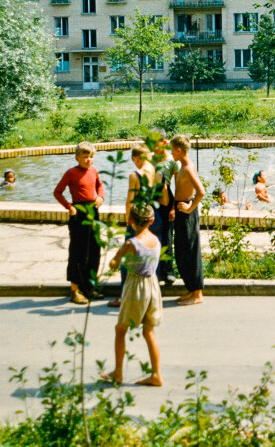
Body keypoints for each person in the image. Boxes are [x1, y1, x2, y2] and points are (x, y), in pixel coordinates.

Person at [100, 204, 163, 387]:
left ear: (130, 220)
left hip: (136, 287)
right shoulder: (156, 241)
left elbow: (113, 264)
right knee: (148, 330)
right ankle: (156, 374)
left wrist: (118, 258)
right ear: (151, 221)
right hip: (152, 285)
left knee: (120, 329)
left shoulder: (131, 244)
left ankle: (118, 372)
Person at [53, 142, 105, 304]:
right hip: (79, 213)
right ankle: (75, 290)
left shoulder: (94, 171)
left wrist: (100, 197)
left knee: (94, 250)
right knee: (78, 252)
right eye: (85, 157)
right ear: (77, 157)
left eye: (91, 157)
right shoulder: (71, 173)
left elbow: (100, 186)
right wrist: (69, 206)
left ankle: (89, 287)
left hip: (93, 212)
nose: (89, 160)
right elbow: (57, 192)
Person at [109, 143, 156, 308]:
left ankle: (124, 296)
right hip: (150, 218)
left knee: (127, 257)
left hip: (136, 220)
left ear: (136, 158)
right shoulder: (154, 171)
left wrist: (128, 221)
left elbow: (130, 201)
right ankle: (147, 295)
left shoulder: (135, 175)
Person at [170, 135, 204, 306]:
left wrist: (190, 208)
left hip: (187, 213)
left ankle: (197, 293)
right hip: (181, 212)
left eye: (172, 151)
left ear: (178, 150)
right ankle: (191, 289)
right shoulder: (183, 166)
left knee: (190, 251)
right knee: (182, 252)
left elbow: (201, 192)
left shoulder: (189, 168)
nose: (171, 154)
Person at [150, 134, 178, 287]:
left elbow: (178, 184)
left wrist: (173, 207)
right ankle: (153, 270)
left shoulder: (172, 162)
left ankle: (168, 272)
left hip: (167, 200)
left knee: (167, 236)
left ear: (165, 142)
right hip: (152, 199)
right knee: (152, 235)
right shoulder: (149, 160)